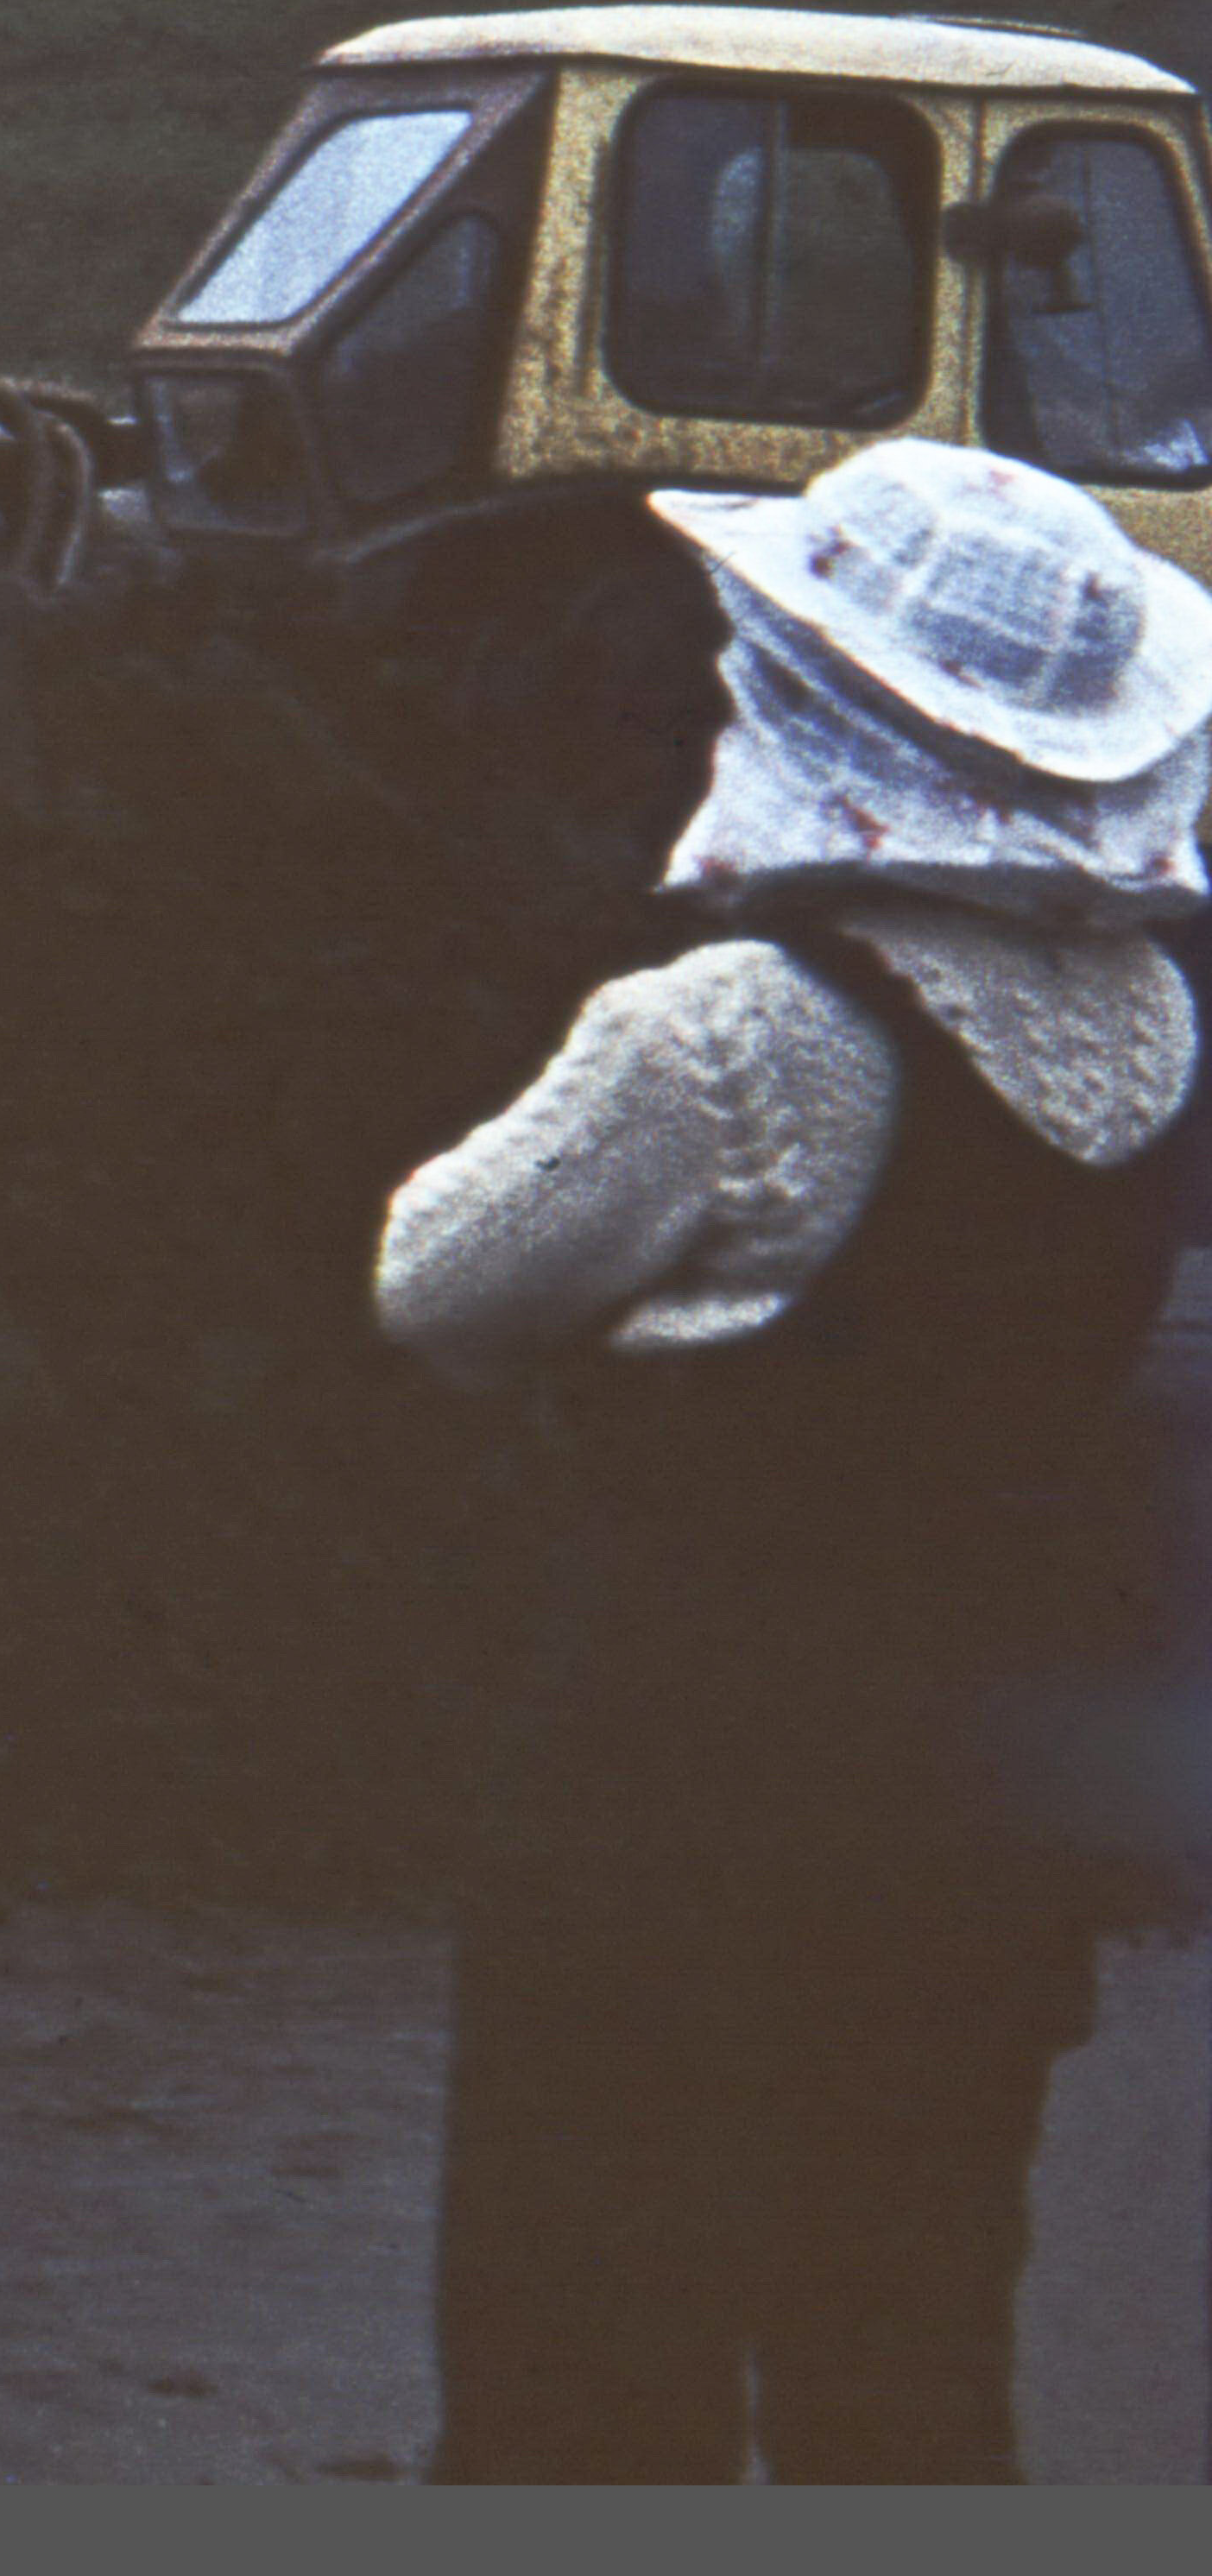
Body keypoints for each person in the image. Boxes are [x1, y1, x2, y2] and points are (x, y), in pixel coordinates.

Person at [373, 438, 1205, 2481]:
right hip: (980, 1792)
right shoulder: (1157, 1016)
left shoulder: (728, 1028)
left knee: (584, 2352)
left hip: (682, 1774)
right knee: (907, 2347)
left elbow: (438, 1281)